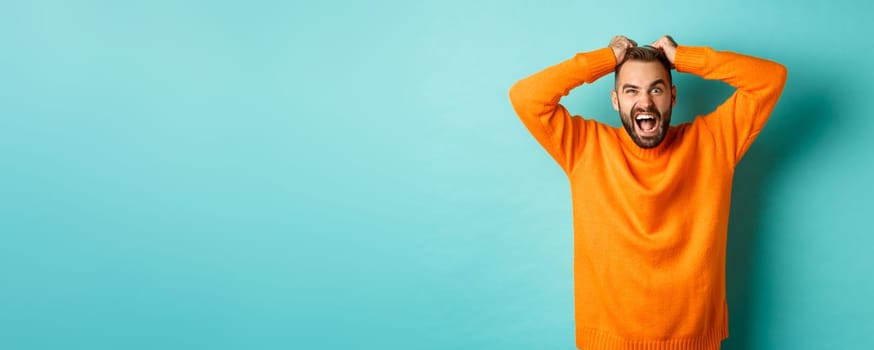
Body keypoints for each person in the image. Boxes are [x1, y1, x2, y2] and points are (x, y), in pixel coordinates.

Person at [508, 35, 787, 350]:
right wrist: (606, 58)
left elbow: (770, 79)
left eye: (656, 89)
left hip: (692, 340)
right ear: (616, 100)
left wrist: (682, 57)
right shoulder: (585, 147)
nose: (645, 102)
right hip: (608, 342)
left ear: (673, 96)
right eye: (631, 90)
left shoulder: (713, 141)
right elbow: (526, 97)